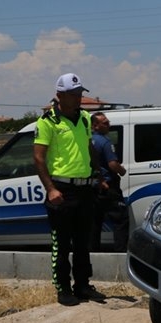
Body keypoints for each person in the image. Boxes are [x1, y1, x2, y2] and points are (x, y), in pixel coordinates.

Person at [33, 73, 106, 306]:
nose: (78, 99)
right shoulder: (47, 122)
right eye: (73, 95)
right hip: (62, 190)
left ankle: (83, 285)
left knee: (83, 241)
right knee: (62, 244)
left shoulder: (85, 118)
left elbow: (88, 147)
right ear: (60, 95)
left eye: (79, 94)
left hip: (85, 189)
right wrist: (51, 189)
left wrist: (98, 173)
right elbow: (38, 158)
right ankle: (64, 288)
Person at [90, 112, 128, 252]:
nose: (109, 125)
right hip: (107, 187)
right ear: (95, 126)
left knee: (94, 223)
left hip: (92, 188)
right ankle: (120, 253)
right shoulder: (105, 142)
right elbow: (112, 164)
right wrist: (122, 171)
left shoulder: (87, 141)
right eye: (105, 123)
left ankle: (92, 254)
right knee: (121, 219)